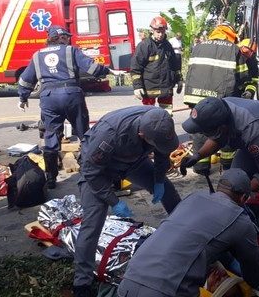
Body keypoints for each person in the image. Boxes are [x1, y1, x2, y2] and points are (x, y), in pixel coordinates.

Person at [180, 97, 259, 290]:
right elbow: (216, 138)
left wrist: (242, 191)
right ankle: (233, 245)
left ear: (222, 128)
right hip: (256, 140)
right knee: (229, 185)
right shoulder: (217, 109)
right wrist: (197, 155)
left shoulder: (253, 130)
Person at [72, 106, 182, 297]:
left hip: (134, 161)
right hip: (99, 169)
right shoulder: (110, 134)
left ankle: (187, 231)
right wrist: (113, 201)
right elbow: (91, 172)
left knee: (169, 192)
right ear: (141, 133)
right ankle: (82, 282)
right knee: (93, 221)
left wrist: (158, 181)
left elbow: (162, 153)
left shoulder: (158, 121)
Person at [117, 168, 259, 297]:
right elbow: (252, 265)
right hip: (167, 289)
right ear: (244, 198)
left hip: (129, 279)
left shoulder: (194, 197)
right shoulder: (240, 220)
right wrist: (254, 286)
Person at [17, 25, 124, 189]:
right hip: (71, 95)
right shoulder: (70, 51)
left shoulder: (37, 55)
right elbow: (92, 67)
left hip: (48, 98)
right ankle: (89, 172)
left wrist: (23, 97)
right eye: (66, 37)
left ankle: (51, 178)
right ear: (59, 38)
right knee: (84, 134)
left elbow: (26, 79)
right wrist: (108, 71)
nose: (68, 39)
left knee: (51, 137)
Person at [183, 22, 254, 172]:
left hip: (195, 97)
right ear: (230, 34)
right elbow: (242, 76)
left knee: (199, 130)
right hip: (219, 101)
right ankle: (228, 165)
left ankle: (201, 166)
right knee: (224, 130)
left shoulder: (199, 46)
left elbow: (190, 72)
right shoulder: (233, 49)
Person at [131, 16, 183, 114]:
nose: (160, 35)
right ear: (152, 31)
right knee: (148, 116)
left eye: (162, 32)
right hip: (149, 88)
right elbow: (135, 68)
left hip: (166, 88)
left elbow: (174, 65)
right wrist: (137, 86)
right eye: (158, 32)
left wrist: (179, 79)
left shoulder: (168, 46)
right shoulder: (144, 46)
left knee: (167, 115)